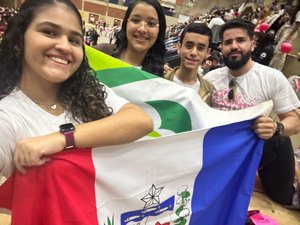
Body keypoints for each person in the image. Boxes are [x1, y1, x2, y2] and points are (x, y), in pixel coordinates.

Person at [0, 0, 153, 178]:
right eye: (49, 32)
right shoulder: (7, 119)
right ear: (19, 40)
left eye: (74, 40)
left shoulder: (88, 91)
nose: (64, 46)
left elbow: (141, 121)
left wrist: (63, 138)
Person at [204, 19, 300, 206]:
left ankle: (288, 194)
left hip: (251, 151)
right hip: (216, 152)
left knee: (280, 141)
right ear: (221, 47)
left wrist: (276, 127)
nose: (234, 46)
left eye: (240, 40)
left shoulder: (271, 77)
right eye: (228, 42)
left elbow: (295, 122)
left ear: (252, 43)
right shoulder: (210, 78)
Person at [93, 0, 166, 77]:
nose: (142, 29)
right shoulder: (101, 52)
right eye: (135, 20)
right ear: (126, 23)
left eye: (151, 23)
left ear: (159, 30)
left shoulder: (159, 76)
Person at [164, 23, 213, 105]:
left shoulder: (209, 90)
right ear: (179, 48)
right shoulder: (161, 81)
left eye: (200, 48)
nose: (194, 53)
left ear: (207, 53)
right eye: (189, 46)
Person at [269, 0, 300, 71]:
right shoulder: (296, 11)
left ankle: (276, 69)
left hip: (290, 32)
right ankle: (272, 67)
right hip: (287, 30)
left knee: (281, 52)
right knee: (278, 51)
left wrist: (289, 35)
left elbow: (297, 24)